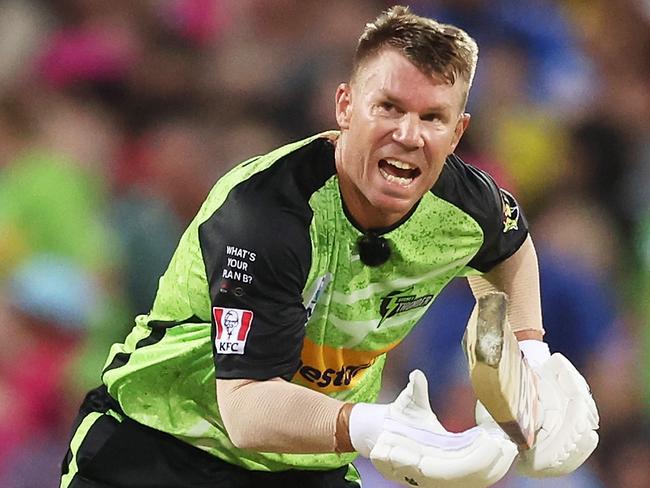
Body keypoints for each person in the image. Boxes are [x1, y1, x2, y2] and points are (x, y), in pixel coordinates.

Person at [60, 6, 598, 488]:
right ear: (345, 106)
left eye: (432, 117)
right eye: (389, 107)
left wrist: (532, 355)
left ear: (457, 133)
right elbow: (247, 408)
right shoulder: (267, 213)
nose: (409, 134)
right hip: (156, 446)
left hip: (308, 466)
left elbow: (512, 248)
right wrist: (377, 428)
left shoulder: (467, 205)